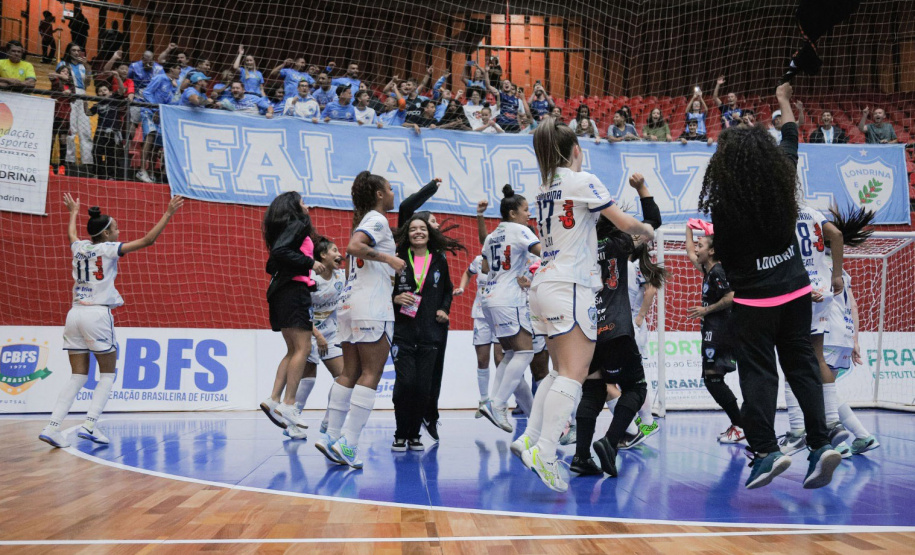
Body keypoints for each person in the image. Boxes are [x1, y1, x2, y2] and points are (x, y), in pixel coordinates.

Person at [697, 82, 841, 490]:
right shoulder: (782, 182)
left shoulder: (726, 206)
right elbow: (792, 136)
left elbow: (726, 256)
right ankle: (820, 444)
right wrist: (783, 102)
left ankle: (766, 452)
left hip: (756, 303)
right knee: (802, 367)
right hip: (796, 292)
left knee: (759, 377)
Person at [515, 118, 653, 492]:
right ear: (576, 149)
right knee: (574, 375)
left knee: (560, 372)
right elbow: (624, 222)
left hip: (543, 283)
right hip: (569, 285)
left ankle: (529, 437)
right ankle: (545, 451)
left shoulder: (542, 187)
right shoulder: (582, 180)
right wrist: (649, 230)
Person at [39, 194, 183, 448]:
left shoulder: (80, 247)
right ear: (105, 234)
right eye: (115, 228)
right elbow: (148, 240)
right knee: (107, 374)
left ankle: (52, 426)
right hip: (96, 314)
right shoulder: (108, 249)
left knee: (78, 376)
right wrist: (169, 212)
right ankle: (90, 425)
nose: (119, 231)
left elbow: (72, 235)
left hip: (74, 315)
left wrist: (74, 212)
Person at [569, 174, 663, 477]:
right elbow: (653, 223)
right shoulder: (620, 242)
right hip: (617, 327)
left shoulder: (576, 247)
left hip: (586, 330)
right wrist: (642, 189)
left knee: (593, 390)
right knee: (636, 386)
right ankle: (610, 441)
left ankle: (581, 456)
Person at [315, 171, 406, 469]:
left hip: (350, 304)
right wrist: (389, 259)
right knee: (371, 373)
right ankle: (349, 444)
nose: (394, 193)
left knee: (350, 371)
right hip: (370, 306)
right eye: (390, 189)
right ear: (379, 194)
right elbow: (355, 247)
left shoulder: (366, 220)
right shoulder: (377, 220)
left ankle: (332, 436)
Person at [390, 215, 461, 450]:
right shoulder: (398, 259)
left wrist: (443, 308)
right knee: (406, 383)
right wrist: (395, 298)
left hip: (431, 334)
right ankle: (401, 432)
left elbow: (447, 290)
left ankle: (414, 435)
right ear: (407, 234)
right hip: (404, 333)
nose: (418, 232)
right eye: (413, 229)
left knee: (423, 388)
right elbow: (384, 288)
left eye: (422, 228)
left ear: (429, 233)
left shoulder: (439, 260)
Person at [476, 186, 541, 433]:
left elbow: (484, 267)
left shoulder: (493, 235)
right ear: (513, 213)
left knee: (512, 354)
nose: (528, 214)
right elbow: (543, 253)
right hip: (508, 299)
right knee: (525, 353)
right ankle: (498, 403)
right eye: (526, 210)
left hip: (490, 297)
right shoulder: (521, 230)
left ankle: (495, 401)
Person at [259, 192, 323, 433]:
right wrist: (310, 264)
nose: (307, 206)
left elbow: (272, 264)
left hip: (283, 292)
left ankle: (273, 399)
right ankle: (289, 404)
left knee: (293, 349)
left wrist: (307, 280)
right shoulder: (299, 224)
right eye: (303, 202)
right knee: (303, 349)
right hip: (292, 295)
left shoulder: (282, 229)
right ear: (294, 207)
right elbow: (280, 253)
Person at [684, 220, 745, 444]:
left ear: (711, 251)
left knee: (713, 379)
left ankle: (740, 425)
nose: (696, 248)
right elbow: (690, 252)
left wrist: (705, 310)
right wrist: (689, 227)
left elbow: (731, 296)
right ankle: (739, 423)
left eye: (701, 245)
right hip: (713, 331)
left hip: (721, 331)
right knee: (712, 379)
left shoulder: (718, 270)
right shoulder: (707, 269)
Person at [289, 237, 346, 439]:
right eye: (334, 250)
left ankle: (328, 421)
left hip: (330, 333)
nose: (339, 253)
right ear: (323, 255)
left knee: (343, 378)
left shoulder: (342, 277)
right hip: (308, 331)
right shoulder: (312, 277)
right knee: (309, 379)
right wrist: (317, 334)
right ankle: (292, 420)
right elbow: (300, 308)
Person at [136, 62, 181, 183]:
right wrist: (156, 108)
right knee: (150, 135)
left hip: (161, 115)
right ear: (171, 69)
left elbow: (172, 102)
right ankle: (141, 170)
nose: (180, 71)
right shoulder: (160, 78)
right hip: (149, 111)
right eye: (178, 68)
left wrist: (176, 89)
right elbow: (146, 92)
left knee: (156, 143)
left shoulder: (174, 84)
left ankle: (150, 171)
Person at [57, 43, 94, 173]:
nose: (76, 53)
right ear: (68, 51)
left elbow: (88, 83)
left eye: (78, 50)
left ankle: (88, 162)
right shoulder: (63, 63)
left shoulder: (83, 66)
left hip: (82, 94)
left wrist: (87, 66)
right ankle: (69, 160)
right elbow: (59, 80)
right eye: (73, 50)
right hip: (69, 95)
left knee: (85, 130)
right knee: (70, 130)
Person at [84, 84, 123, 180]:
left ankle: (111, 175)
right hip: (100, 131)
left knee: (111, 154)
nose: (103, 92)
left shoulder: (114, 101)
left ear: (110, 93)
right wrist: (84, 102)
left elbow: (122, 90)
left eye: (105, 90)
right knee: (96, 152)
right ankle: (97, 173)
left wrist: (117, 76)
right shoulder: (98, 105)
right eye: (100, 91)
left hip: (112, 132)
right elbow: (88, 113)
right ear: (98, 95)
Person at [48, 66, 73, 174]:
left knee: (63, 139)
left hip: (65, 114)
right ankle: (49, 165)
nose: (65, 73)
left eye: (67, 72)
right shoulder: (56, 79)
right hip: (54, 112)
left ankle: (62, 165)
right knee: (52, 139)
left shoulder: (71, 85)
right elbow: (50, 75)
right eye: (63, 71)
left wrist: (70, 93)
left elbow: (74, 98)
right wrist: (60, 75)